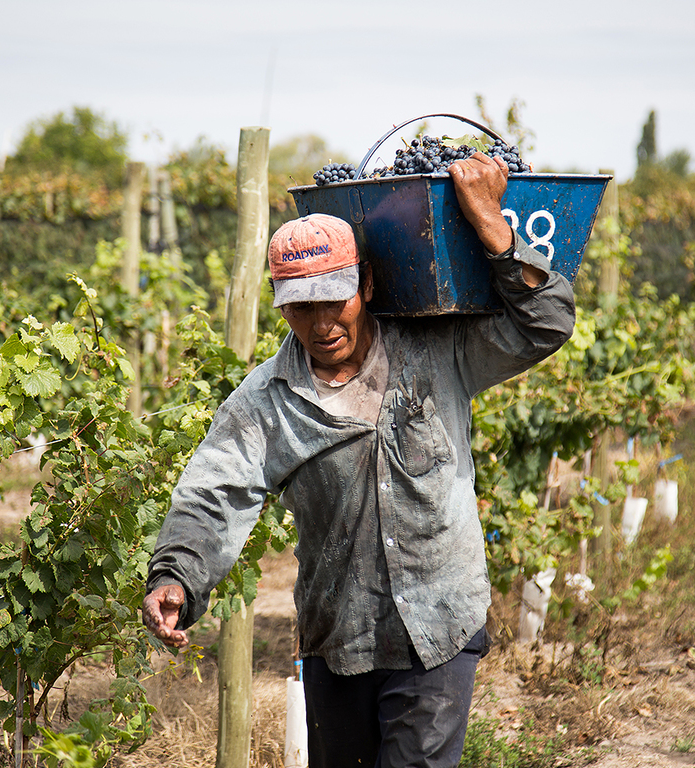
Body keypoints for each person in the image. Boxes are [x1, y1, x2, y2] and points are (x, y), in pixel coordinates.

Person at [142, 152, 576, 767]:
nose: (321, 323)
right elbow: (215, 491)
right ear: (280, 305)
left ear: (366, 286)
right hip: (338, 639)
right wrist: (176, 576)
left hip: (440, 629)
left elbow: (546, 326)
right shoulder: (267, 404)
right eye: (301, 306)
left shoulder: (438, 350)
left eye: (335, 300)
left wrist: (493, 230)